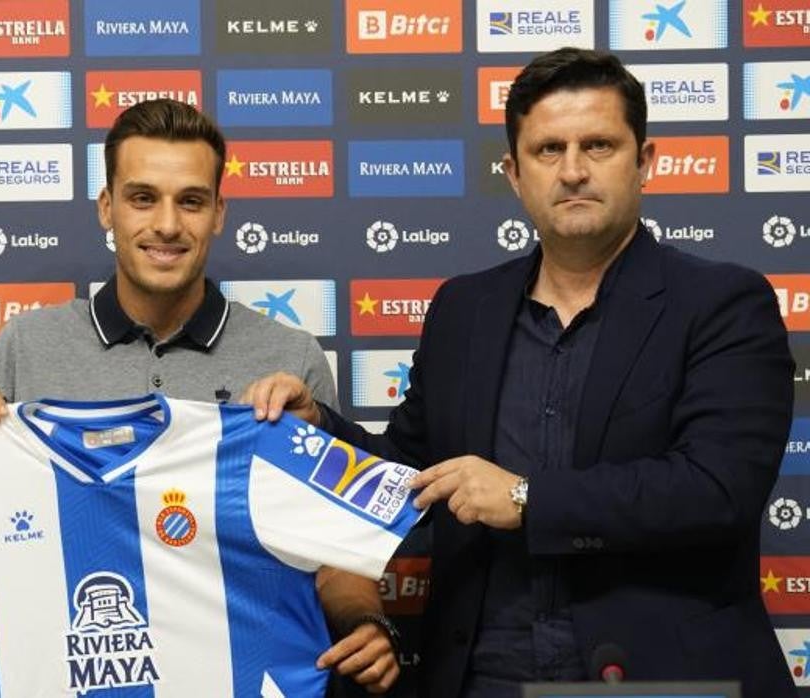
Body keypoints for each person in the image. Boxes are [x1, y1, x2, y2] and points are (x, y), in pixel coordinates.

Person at [245, 48, 795, 698]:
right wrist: (318, 427)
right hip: (486, 679)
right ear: (513, 173)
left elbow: (717, 490)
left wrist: (527, 499)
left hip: (657, 680)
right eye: (547, 150)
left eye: (598, 145)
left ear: (645, 161)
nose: (573, 170)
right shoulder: (463, 309)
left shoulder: (722, 302)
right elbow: (410, 474)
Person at [0, 98, 400, 693]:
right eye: (143, 198)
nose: (168, 225)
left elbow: (332, 551)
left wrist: (364, 622)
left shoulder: (290, 359)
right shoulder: (27, 346)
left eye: (192, 201)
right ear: (107, 207)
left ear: (219, 213)